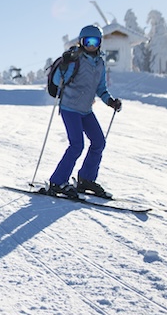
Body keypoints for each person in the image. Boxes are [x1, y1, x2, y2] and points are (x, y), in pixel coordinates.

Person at [46, 24, 123, 199]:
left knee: (99, 142)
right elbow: (58, 81)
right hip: (69, 108)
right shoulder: (75, 59)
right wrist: (65, 63)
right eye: (87, 41)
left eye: (94, 41)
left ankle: (86, 179)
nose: (91, 45)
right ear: (81, 42)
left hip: (86, 110)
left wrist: (110, 101)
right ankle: (58, 182)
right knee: (76, 145)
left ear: (100, 43)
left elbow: (101, 88)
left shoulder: (100, 63)